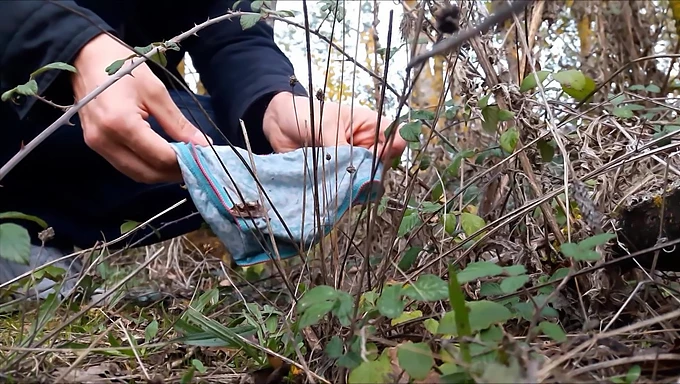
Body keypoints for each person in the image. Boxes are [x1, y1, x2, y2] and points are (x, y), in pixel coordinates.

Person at [0, 0, 406, 289]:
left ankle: (33, 238)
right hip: (19, 95)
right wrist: (73, 43)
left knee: (245, 146)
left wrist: (273, 102)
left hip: (90, 122)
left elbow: (233, 31)